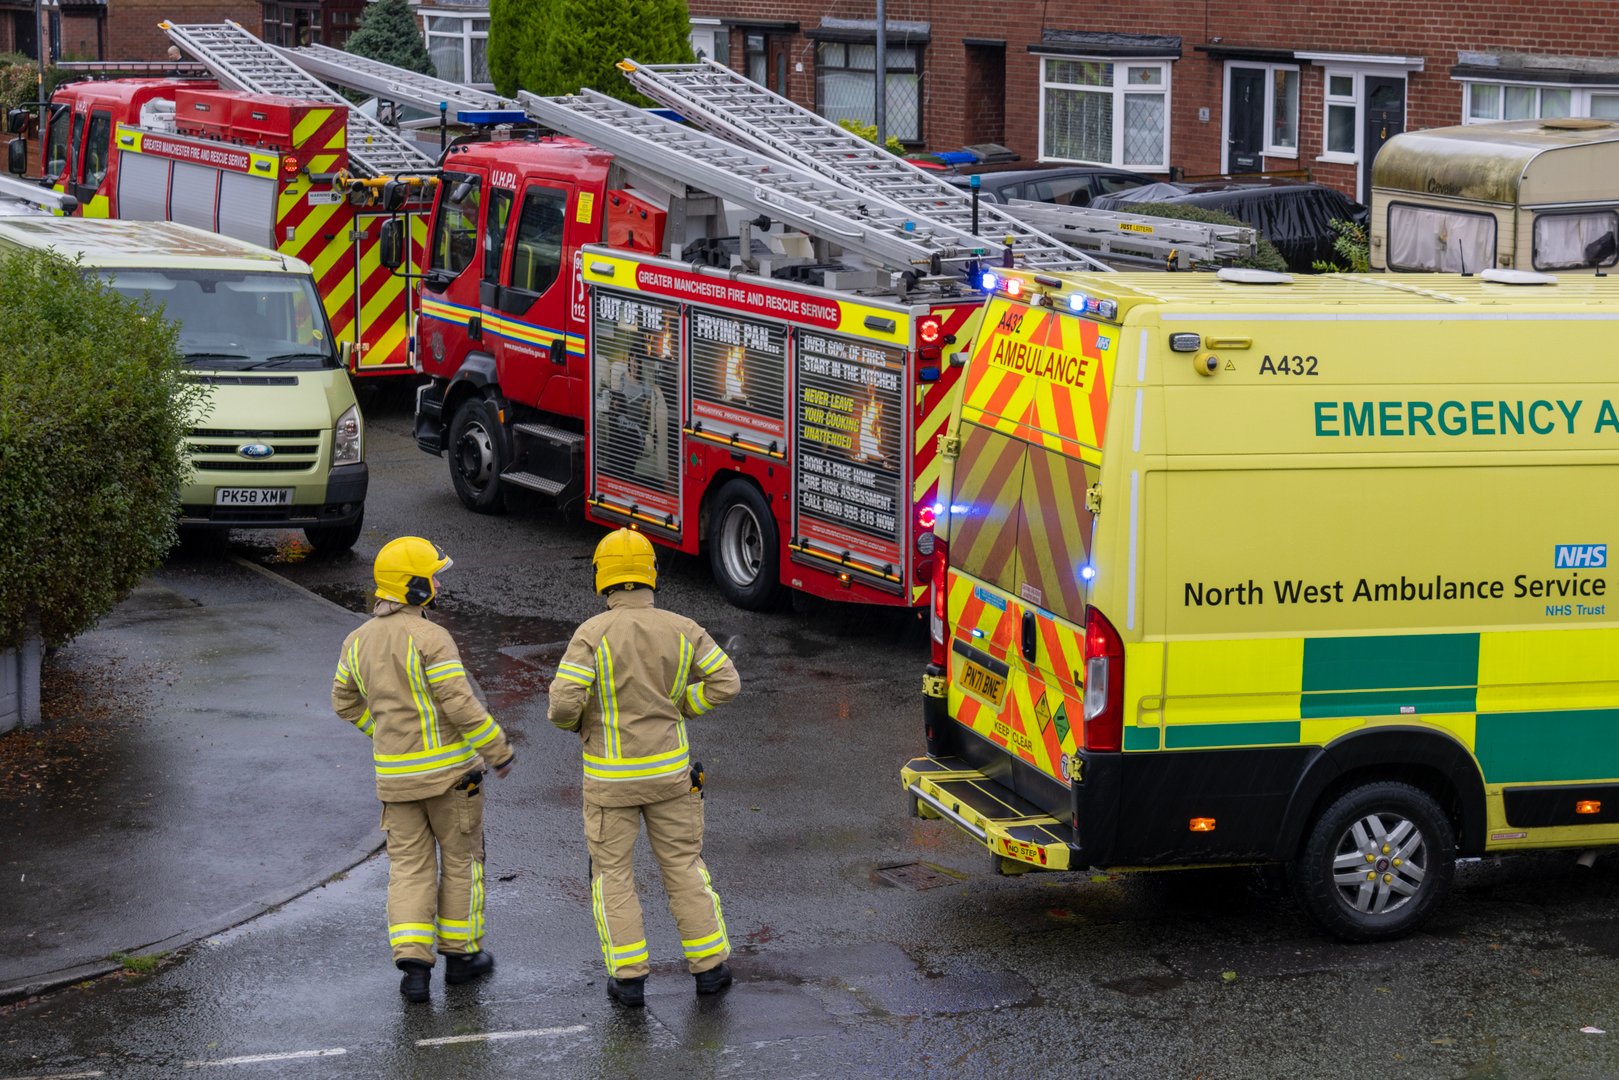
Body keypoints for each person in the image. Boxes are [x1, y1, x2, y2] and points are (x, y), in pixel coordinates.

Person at [549, 528, 741, 1007]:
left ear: (602, 577)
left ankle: (629, 980)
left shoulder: (591, 634)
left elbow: (562, 705)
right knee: (684, 867)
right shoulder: (682, 627)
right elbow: (727, 682)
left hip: (610, 782)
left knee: (613, 874)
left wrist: (581, 724)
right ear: (651, 574)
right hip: (671, 778)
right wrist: (684, 706)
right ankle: (710, 969)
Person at [332, 536, 515, 1003]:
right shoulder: (432, 638)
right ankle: (461, 960)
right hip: (453, 779)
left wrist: (383, 733)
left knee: (409, 870)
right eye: (432, 577)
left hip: (396, 781)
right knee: (461, 862)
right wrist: (497, 749)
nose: (438, 584)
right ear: (414, 587)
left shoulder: (357, 641)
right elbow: (460, 704)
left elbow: (344, 702)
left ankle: (414, 972)